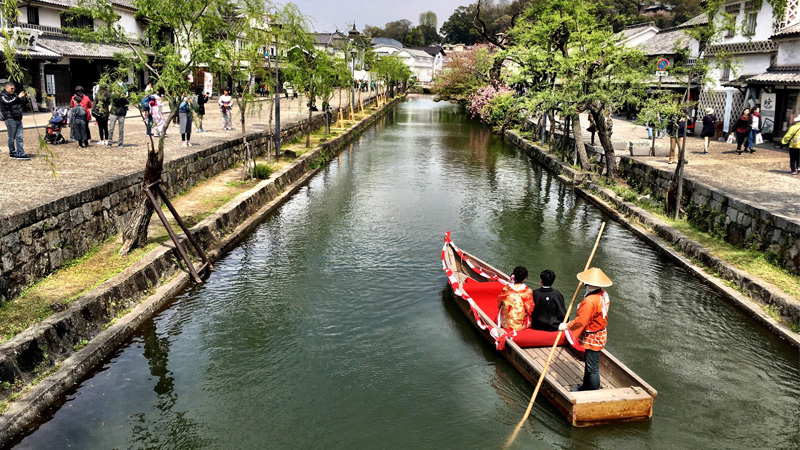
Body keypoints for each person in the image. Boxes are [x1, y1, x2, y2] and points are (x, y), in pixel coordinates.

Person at [558, 267, 612, 392]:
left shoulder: (590, 301)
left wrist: (567, 326)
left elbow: (581, 321)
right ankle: (586, 386)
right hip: (599, 330)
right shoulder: (603, 293)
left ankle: (593, 389)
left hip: (593, 334)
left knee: (592, 366)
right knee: (589, 362)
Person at [0, 81, 33, 160]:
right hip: (10, 118)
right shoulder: (2, 96)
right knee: (11, 137)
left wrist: (25, 98)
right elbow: (8, 103)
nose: (13, 90)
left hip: (18, 118)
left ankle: (20, 153)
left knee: (20, 137)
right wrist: (18, 97)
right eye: (11, 88)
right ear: (6, 88)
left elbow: (21, 102)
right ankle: (12, 152)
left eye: (14, 88)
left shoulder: (14, 95)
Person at [496, 266, 535, 331]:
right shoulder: (527, 291)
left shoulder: (506, 289)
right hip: (519, 324)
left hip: (505, 322)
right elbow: (530, 309)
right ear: (524, 278)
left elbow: (499, 303)